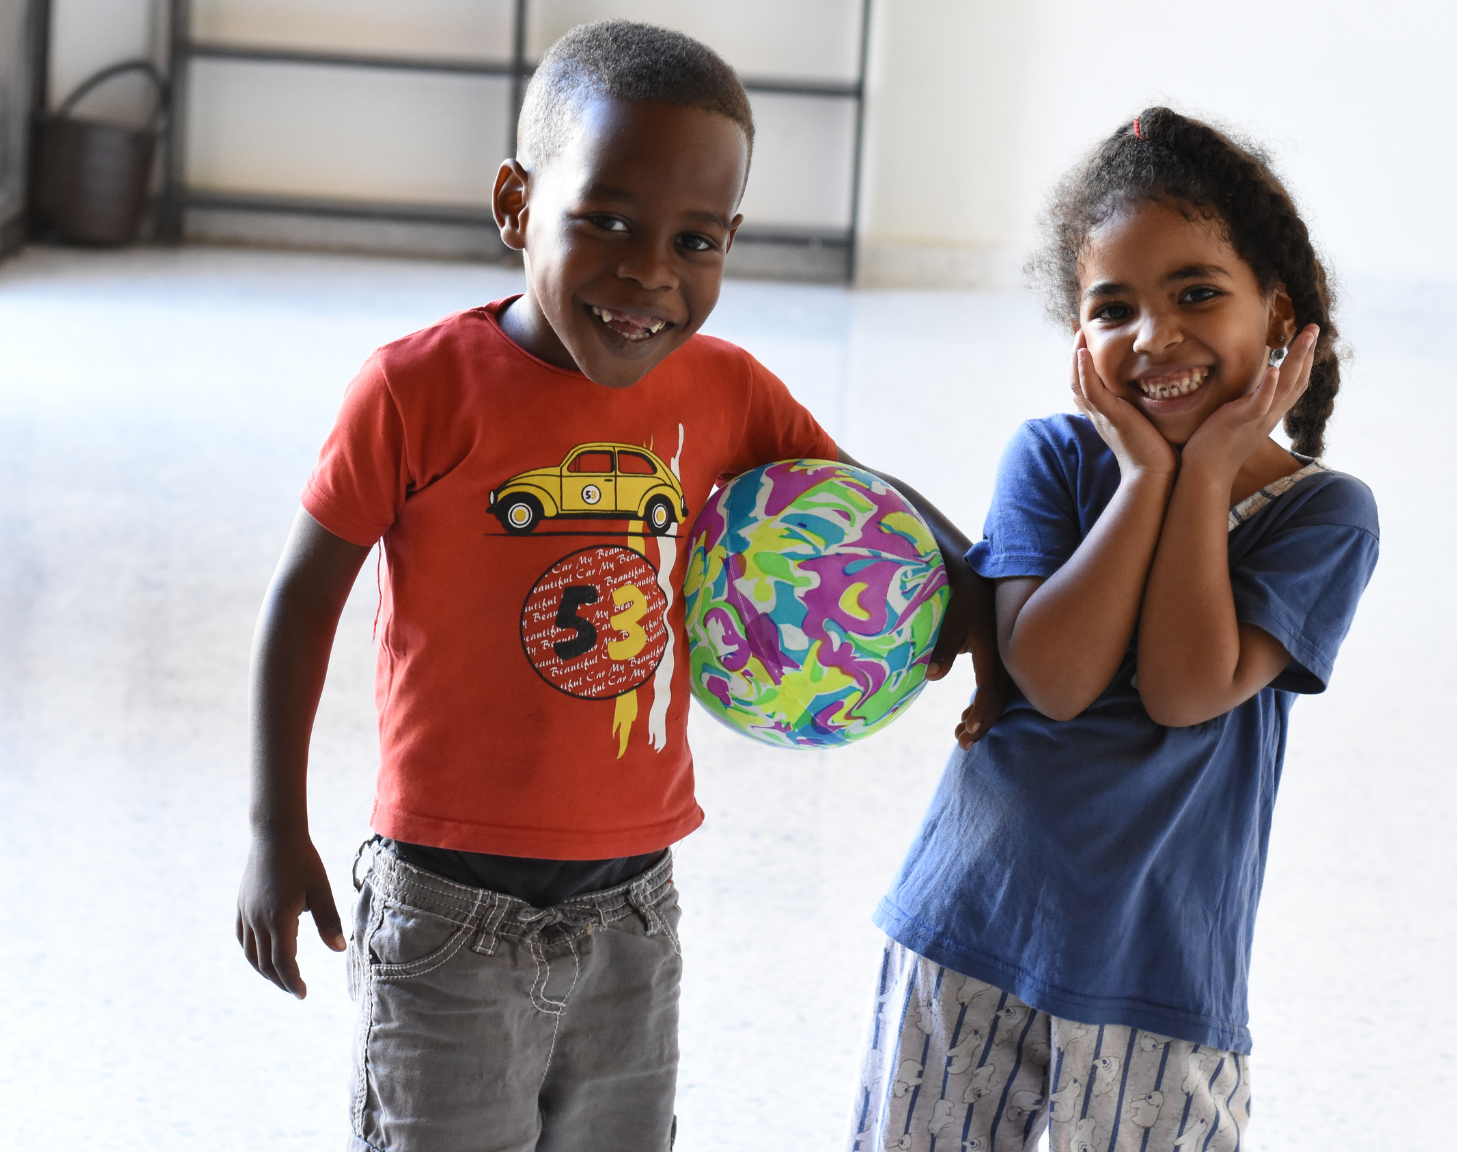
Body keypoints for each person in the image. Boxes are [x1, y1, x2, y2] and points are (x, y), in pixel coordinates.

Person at [231, 21, 997, 1152]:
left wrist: (975, 592)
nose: (651, 273)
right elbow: (302, 597)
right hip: (445, 911)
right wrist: (271, 829)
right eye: (607, 221)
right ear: (514, 204)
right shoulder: (414, 390)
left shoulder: (727, 391)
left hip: (634, 910)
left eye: (697, 242)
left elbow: (858, 496)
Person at [847, 106, 1381, 1152]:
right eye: (1113, 307)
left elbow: (1189, 688)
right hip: (967, 926)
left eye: (1197, 293)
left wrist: (1206, 475)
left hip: (1160, 973)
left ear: (1278, 315)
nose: (1155, 336)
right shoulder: (1052, 458)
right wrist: (1145, 476)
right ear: (1078, 340)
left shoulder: (1326, 515)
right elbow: (1054, 677)